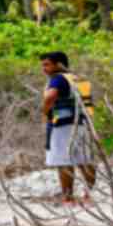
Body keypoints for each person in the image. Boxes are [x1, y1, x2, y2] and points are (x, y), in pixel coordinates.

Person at [44, 51, 98, 204]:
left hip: (62, 125)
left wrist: (45, 111)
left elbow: (50, 97)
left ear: (58, 64)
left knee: (63, 162)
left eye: (47, 64)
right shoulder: (78, 78)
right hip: (82, 124)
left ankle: (68, 198)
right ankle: (89, 195)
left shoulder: (58, 79)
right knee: (84, 159)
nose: (44, 68)